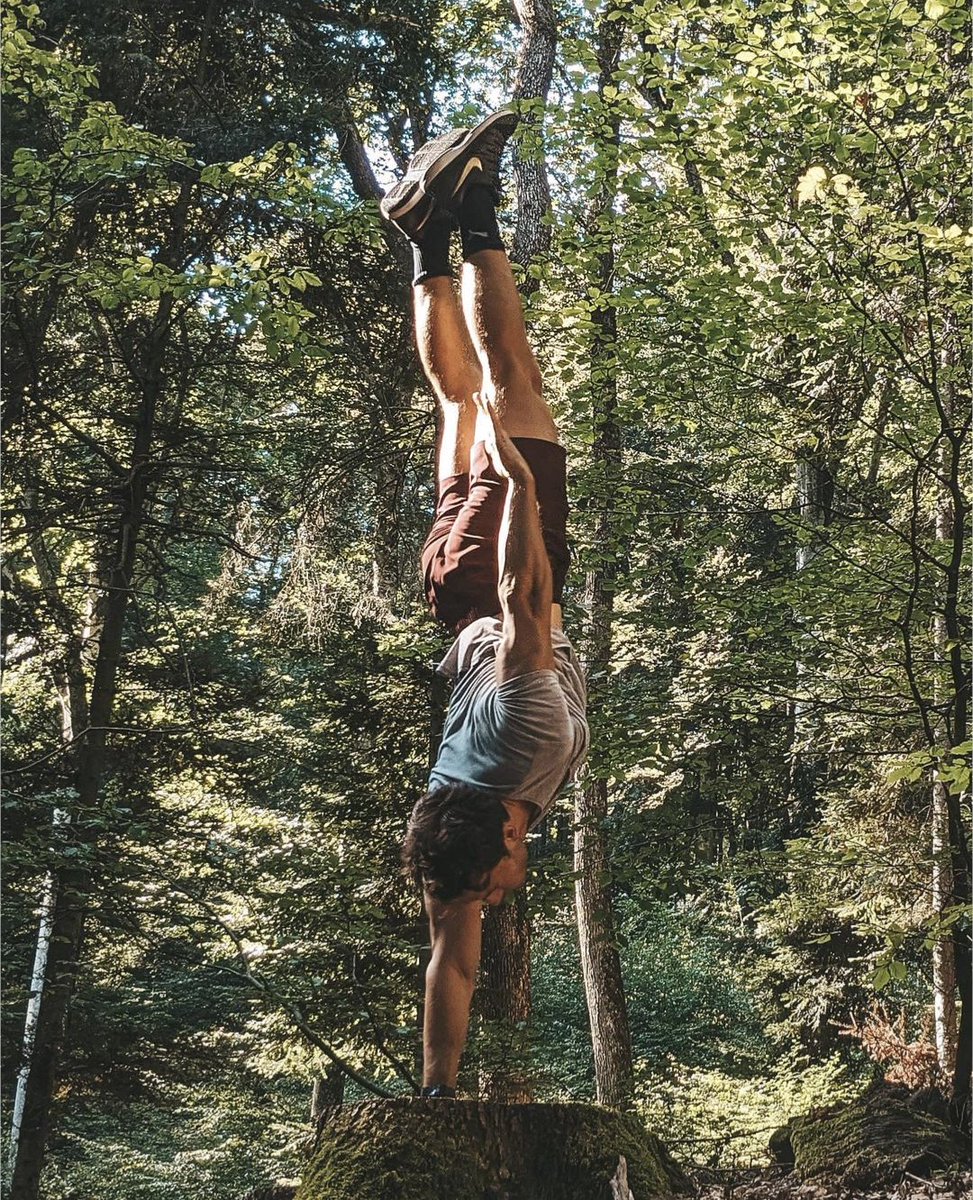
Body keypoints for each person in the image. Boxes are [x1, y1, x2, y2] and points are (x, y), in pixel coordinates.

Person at [381, 110, 590, 1099]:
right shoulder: (450, 837)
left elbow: (524, 595)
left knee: (508, 388)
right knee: (457, 401)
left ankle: (474, 218)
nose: (497, 901)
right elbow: (449, 965)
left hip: (490, 562)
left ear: (505, 840)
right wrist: (437, 1089)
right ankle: (440, 221)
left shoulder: (522, 732)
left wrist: (513, 486)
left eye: (493, 887)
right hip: (449, 586)